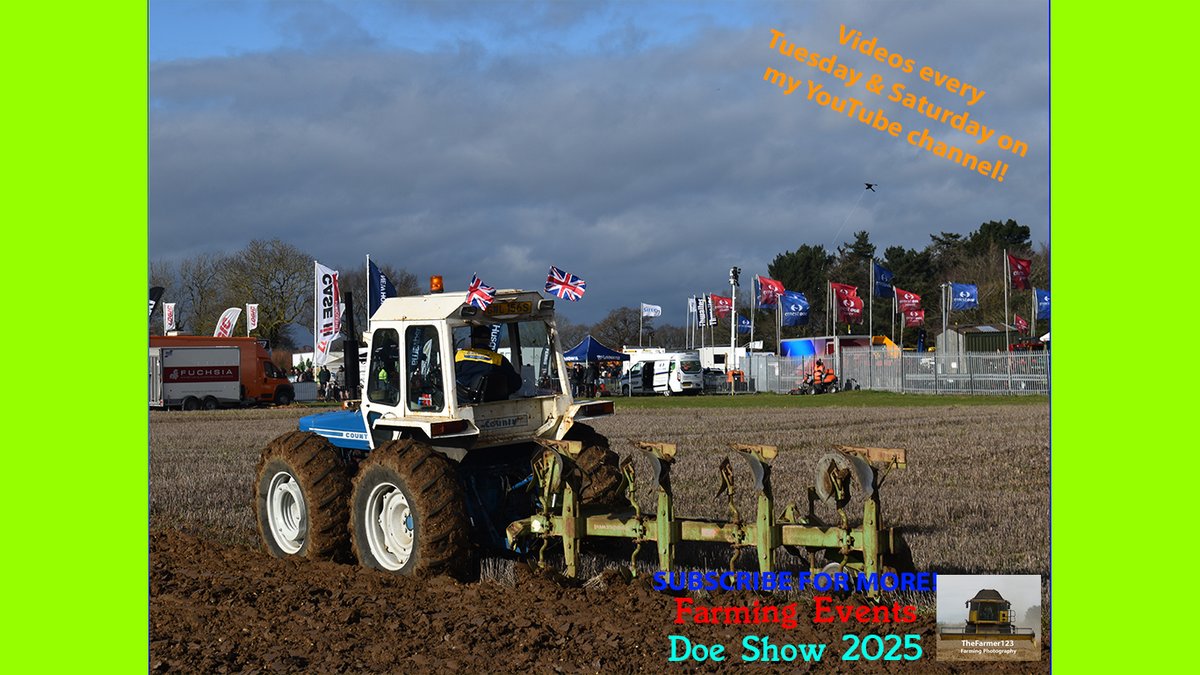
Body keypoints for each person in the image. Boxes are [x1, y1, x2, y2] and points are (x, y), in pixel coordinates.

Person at [455, 324, 522, 403]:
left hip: (464, 403)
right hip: (495, 404)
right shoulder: (499, 360)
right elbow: (516, 383)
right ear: (489, 340)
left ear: (474, 339)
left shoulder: (459, 356)